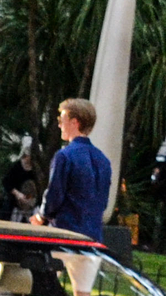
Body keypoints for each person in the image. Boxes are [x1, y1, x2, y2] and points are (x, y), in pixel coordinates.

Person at [40, 98, 112, 240]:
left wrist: (42, 215)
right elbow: (103, 202)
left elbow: (54, 196)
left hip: (66, 235)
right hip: (94, 238)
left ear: (74, 122)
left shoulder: (64, 156)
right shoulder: (103, 160)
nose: (60, 125)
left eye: (62, 120)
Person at [2, 138, 45, 221]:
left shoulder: (37, 169)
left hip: (32, 208)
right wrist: (17, 194)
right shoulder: (16, 167)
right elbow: (6, 182)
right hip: (17, 208)